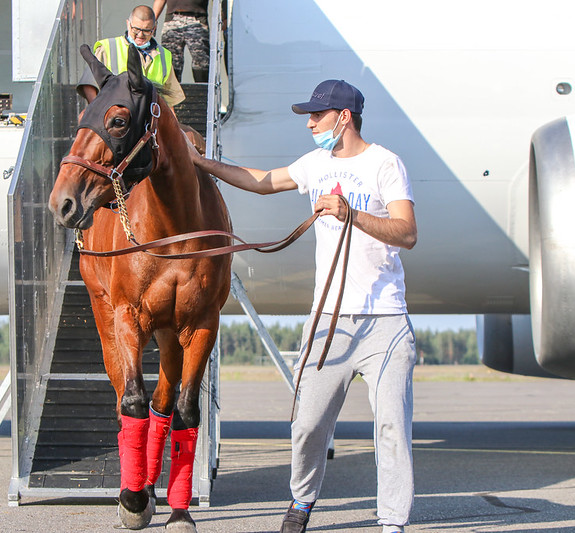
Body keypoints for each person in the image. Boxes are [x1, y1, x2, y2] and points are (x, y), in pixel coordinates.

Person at [189, 79, 418, 533]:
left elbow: (407, 232)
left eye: (317, 115)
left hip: (385, 321)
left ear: (344, 117)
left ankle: (392, 521)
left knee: (392, 427)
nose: (311, 123)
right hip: (328, 320)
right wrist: (203, 164)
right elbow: (260, 181)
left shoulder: (384, 163)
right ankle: (302, 501)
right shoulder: (315, 164)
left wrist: (350, 212)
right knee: (308, 424)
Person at [77, 5, 185, 107]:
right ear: (128, 24)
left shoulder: (164, 55)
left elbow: (169, 100)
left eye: (147, 30)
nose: (140, 35)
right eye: (136, 29)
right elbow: (89, 84)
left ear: (155, 27)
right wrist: (98, 111)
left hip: (147, 118)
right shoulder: (107, 48)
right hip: (115, 117)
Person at [152, 0, 210, 83]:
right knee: (170, 64)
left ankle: (204, 93)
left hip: (197, 19)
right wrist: (153, 20)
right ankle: (170, 94)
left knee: (201, 63)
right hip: (172, 20)